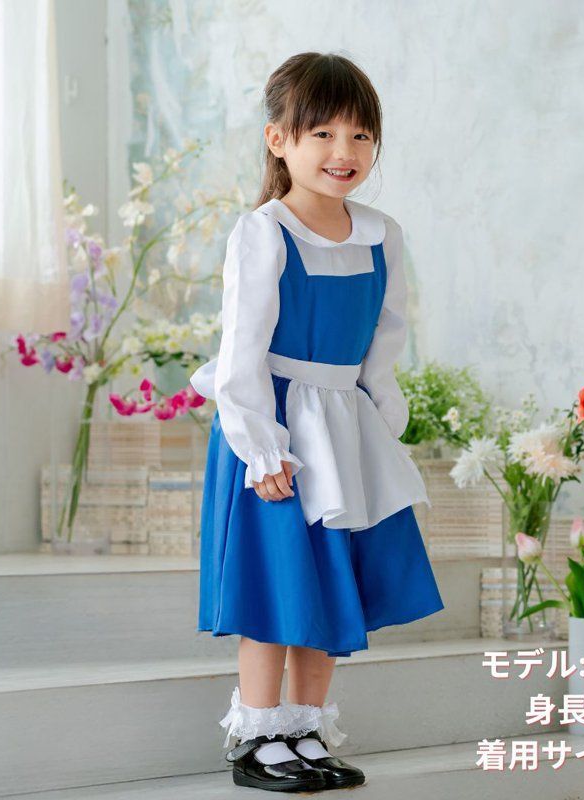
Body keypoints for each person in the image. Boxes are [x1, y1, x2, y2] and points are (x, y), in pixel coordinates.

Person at [190, 51, 445, 793]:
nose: (344, 151)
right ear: (279, 140)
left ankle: (305, 729)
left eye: (361, 135)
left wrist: (380, 420)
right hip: (275, 430)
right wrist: (259, 448)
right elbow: (241, 350)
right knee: (276, 586)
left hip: (342, 426)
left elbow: (385, 338)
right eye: (324, 133)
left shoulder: (381, 234)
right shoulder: (266, 232)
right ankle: (258, 739)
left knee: (333, 582)